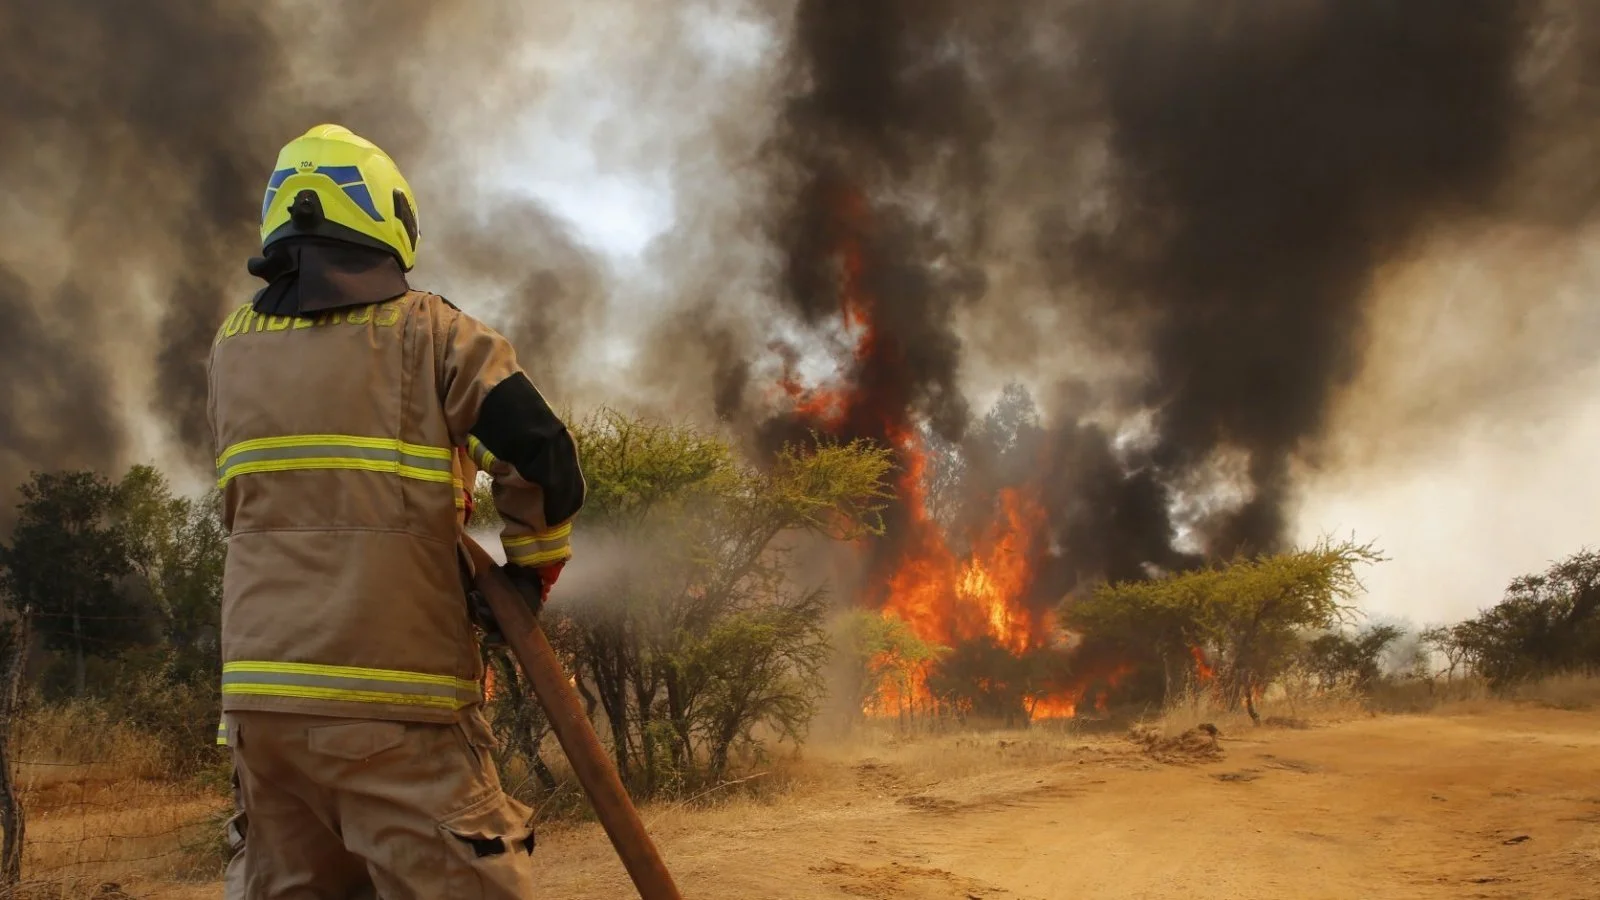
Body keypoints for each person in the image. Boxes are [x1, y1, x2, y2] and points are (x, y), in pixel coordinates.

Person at [207, 124, 584, 899]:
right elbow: (542, 453)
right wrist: (528, 575)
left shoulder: (231, 347)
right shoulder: (433, 334)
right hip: (397, 709)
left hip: (261, 713)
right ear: (387, 218)